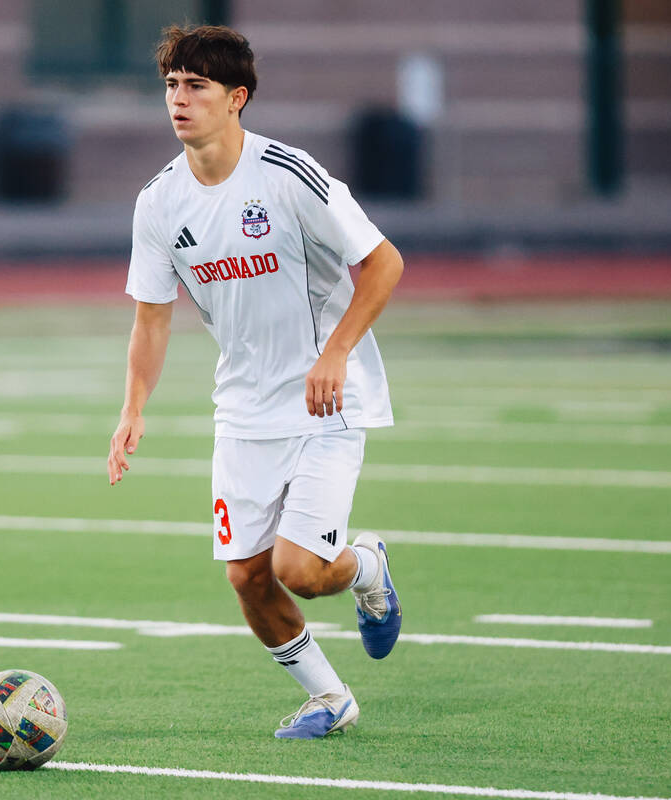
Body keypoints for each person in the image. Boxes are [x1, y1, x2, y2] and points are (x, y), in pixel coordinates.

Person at [106, 24, 405, 740]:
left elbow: (385, 263)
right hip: (242, 411)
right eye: (172, 85)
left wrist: (334, 352)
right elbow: (152, 319)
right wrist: (131, 411)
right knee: (247, 577)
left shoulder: (287, 174)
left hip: (325, 401)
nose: (180, 99)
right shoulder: (159, 202)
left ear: (236, 98)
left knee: (300, 568)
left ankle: (366, 568)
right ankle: (330, 698)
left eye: (197, 86)